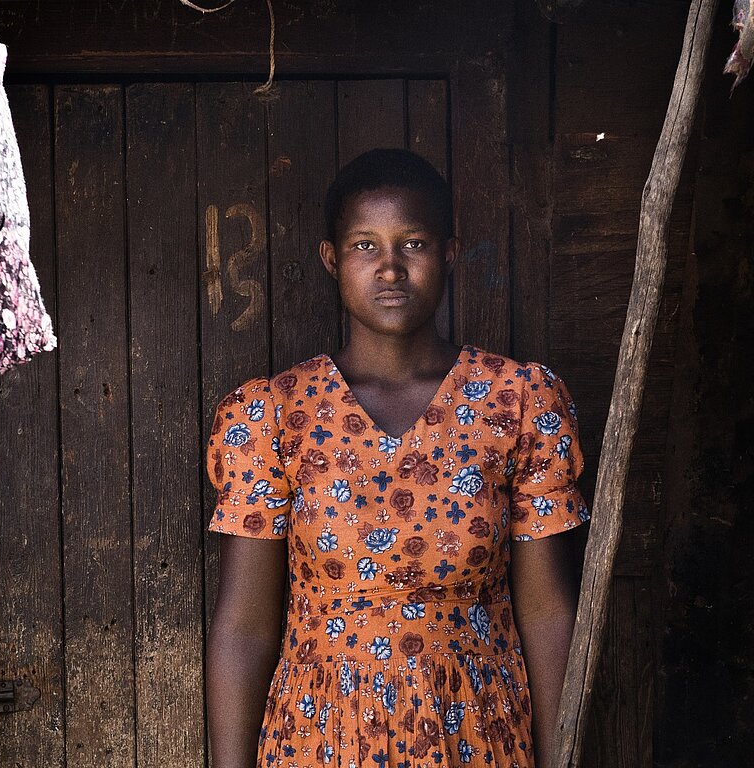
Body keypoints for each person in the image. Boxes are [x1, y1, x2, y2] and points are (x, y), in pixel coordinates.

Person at [206, 148, 590, 768]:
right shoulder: (272, 415)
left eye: (413, 244)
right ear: (332, 260)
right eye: (365, 246)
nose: (389, 269)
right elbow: (243, 627)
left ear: (449, 254)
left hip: (477, 734)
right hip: (319, 741)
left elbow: (547, 613)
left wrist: (560, 758)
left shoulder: (516, 401)